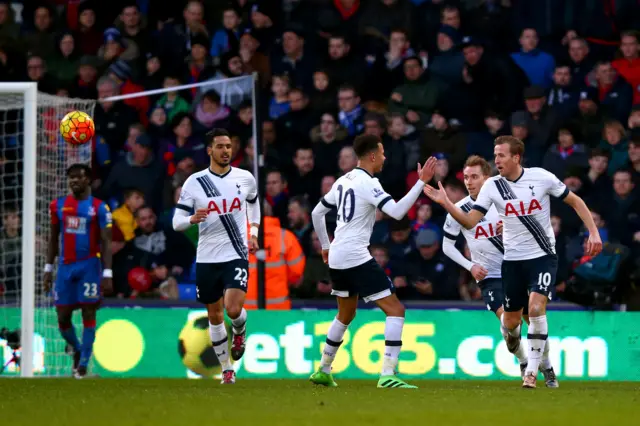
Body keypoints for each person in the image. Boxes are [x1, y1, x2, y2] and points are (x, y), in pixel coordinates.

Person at [424, 136, 602, 389]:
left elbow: (574, 200)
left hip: (541, 256)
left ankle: (535, 370)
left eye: (501, 155)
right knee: (510, 323)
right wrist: (446, 203)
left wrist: (593, 232)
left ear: (516, 157)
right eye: (494, 156)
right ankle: (529, 357)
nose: (496, 160)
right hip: (508, 265)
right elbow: (470, 222)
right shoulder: (492, 190)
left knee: (537, 309)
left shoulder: (541, 177)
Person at [309, 134, 436, 389]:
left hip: (337, 255)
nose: (385, 157)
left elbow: (316, 212)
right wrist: (421, 183)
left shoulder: (343, 180)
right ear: (373, 155)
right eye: (383, 152)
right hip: (355, 254)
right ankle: (388, 373)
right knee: (396, 310)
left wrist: (325, 245)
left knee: (345, 314)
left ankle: (323, 370)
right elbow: (397, 212)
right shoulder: (369, 182)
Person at [172, 128, 261, 385]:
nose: (225, 151)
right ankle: (226, 369)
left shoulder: (245, 178)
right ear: (209, 150)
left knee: (233, 309)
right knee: (214, 315)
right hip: (207, 258)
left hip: (235, 253)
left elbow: (253, 203)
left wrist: (253, 232)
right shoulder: (194, 182)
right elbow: (176, 221)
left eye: (228, 146)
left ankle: (240, 329)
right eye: (220, 146)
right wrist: (191, 218)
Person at [441, 155, 532, 378]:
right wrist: (470, 265)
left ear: (487, 178)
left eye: (474, 177)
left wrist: (511, 229)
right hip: (489, 275)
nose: (469, 182)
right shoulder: (458, 209)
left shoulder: (505, 202)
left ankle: (545, 366)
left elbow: (532, 232)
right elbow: (447, 246)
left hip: (516, 268)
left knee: (534, 320)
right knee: (510, 321)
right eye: (466, 177)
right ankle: (523, 361)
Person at [44, 164, 113, 379]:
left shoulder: (100, 208)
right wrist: (48, 268)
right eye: (71, 178)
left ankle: (83, 364)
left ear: (88, 180)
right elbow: (53, 238)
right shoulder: (57, 206)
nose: (74, 181)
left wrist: (108, 273)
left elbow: (106, 241)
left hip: (89, 265)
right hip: (65, 267)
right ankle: (76, 347)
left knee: (88, 312)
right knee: (62, 316)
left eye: (79, 177)